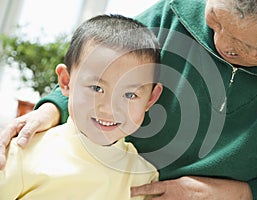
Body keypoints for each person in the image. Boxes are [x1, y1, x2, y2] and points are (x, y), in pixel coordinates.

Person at [1, 0, 257, 199]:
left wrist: (244, 193)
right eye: (215, 22)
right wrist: (53, 107)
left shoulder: (142, 172)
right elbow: (100, 61)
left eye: (246, 46)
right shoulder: (29, 158)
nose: (220, 43)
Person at [0, 14, 163, 199]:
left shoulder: (144, 178)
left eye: (129, 95)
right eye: (96, 88)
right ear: (66, 81)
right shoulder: (22, 153)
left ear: (150, 99)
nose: (109, 109)